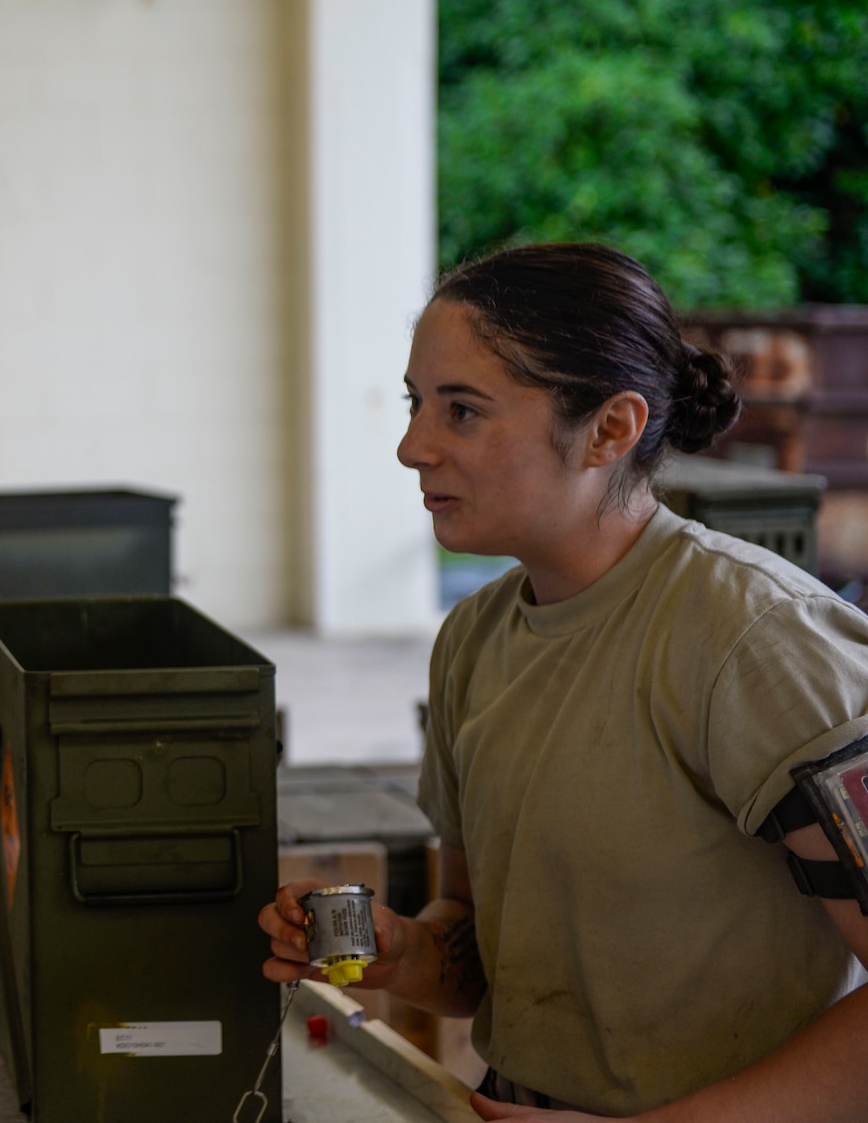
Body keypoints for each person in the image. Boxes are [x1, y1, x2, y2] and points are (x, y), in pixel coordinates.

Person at [259, 243, 868, 1120]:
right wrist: (405, 954)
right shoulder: (473, 640)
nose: (410, 447)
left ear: (611, 429)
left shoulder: (757, 639)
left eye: (462, 411)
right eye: (416, 402)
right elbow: (479, 952)